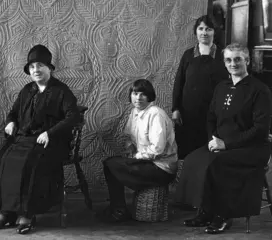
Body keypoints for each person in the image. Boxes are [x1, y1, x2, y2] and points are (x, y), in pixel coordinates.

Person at [175, 43, 272, 234]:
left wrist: (226, 144)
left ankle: (222, 216)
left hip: (252, 148)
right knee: (194, 159)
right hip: (222, 143)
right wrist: (214, 139)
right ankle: (205, 211)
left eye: (238, 59)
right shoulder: (222, 87)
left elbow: (260, 130)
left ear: (247, 61)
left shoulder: (260, 90)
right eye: (228, 60)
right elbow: (211, 117)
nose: (233, 63)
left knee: (217, 164)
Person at [0, 44, 80, 235]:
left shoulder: (61, 90)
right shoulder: (27, 89)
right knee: (5, 158)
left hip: (51, 141)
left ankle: (27, 215)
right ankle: (7, 212)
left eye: (40, 66)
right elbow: (13, 112)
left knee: (29, 163)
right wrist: (11, 122)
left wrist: (50, 133)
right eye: (32, 67)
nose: (36, 70)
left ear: (50, 68)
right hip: (25, 138)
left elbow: (73, 117)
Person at [96, 79, 178, 222]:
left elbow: (157, 149)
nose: (138, 98)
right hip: (147, 162)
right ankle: (118, 208)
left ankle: (119, 210)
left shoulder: (155, 114)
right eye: (135, 93)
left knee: (112, 165)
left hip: (161, 168)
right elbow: (129, 136)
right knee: (110, 163)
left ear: (150, 96)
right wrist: (131, 149)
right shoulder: (135, 112)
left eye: (143, 94)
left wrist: (136, 156)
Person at [172, 15, 229, 159]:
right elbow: (179, 82)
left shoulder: (222, 55)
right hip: (188, 112)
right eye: (201, 28)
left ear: (214, 32)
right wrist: (175, 109)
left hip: (212, 113)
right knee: (186, 149)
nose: (204, 32)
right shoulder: (188, 55)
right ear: (196, 32)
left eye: (208, 29)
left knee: (208, 151)